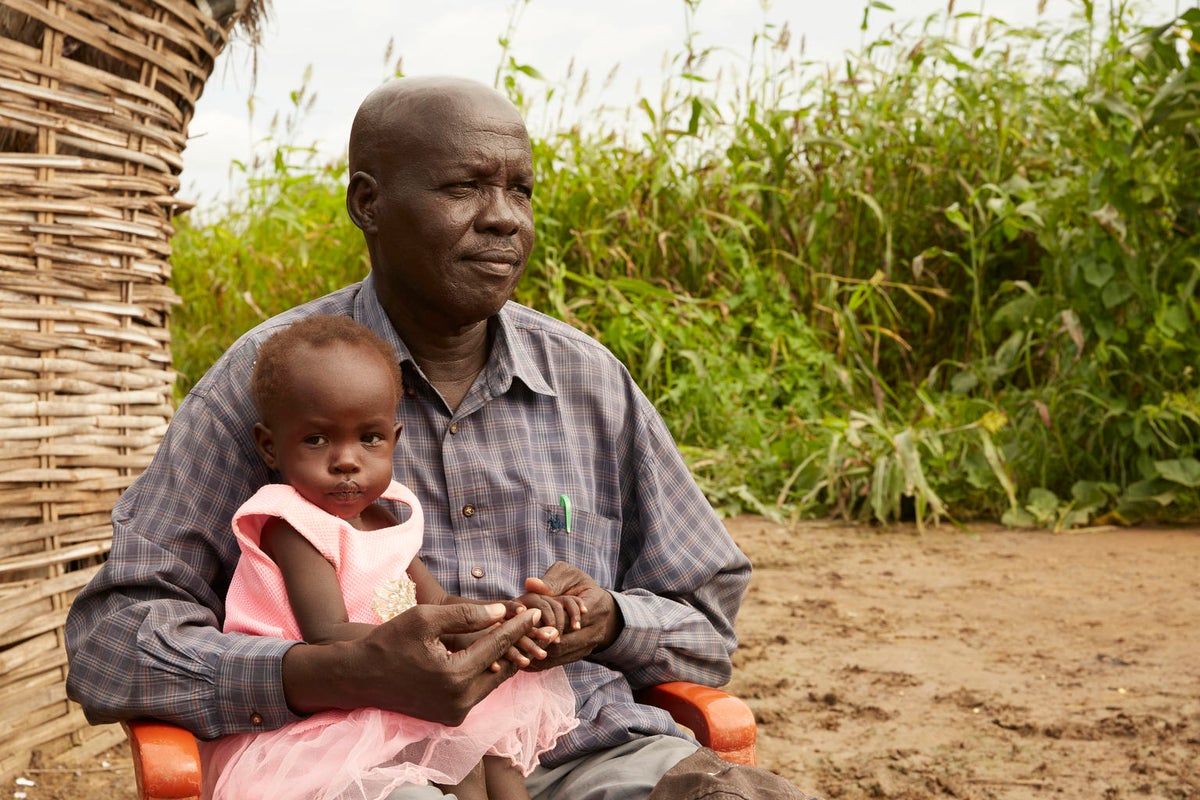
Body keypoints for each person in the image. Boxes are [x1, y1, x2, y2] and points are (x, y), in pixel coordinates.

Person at [66, 75, 807, 799]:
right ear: (369, 203)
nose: (504, 219)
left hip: (589, 749)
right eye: (463, 189)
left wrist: (607, 620)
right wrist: (339, 670)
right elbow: (112, 645)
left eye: (520, 191)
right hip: (365, 763)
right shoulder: (273, 386)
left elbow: (705, 619)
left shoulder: (589, 383)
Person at [199, 314, 580, 800]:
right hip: (331, 709)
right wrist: (430, 654)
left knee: (495, 752)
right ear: (270, 447)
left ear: (394, 440)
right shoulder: (290, 524)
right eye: (317, 439)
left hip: (400, 684)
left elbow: (437, 600)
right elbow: (327, 634)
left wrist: (509, 616)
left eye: (369, 438)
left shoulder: (386, 517)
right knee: (453, 755)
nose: (346, 460)